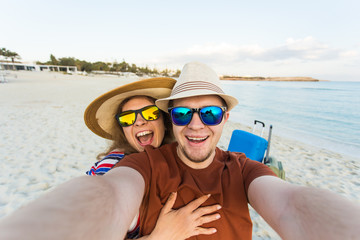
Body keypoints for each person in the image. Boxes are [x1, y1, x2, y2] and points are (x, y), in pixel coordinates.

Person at [0, 62, 359, 240]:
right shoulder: (139, 164)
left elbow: (290, 203)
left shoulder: (243, 169)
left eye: (211, 112)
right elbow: (107, 193)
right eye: (184, 112)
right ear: (172, 118)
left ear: (226, 117)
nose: (197, 124)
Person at [82, 77, 220, 239]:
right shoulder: (111, 167)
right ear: (122, 129)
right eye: (127, 118)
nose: (139, 122)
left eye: (150, 113)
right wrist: (160, 236)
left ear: (164, 120)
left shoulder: (175, 156)